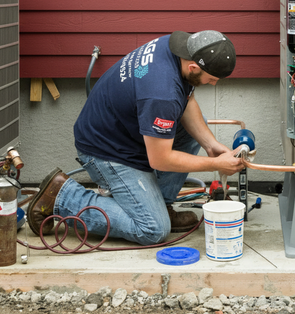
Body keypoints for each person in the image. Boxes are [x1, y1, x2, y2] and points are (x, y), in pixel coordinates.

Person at [27, 30, 244, 245]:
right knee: (153, 229)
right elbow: (161, 159)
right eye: (212, 79)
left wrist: (211, 145)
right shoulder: (162, 93)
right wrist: (215, 164)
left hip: (126, 132)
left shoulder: (177, 47)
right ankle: (63, 197)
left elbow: (186, 100)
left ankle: (160, 204)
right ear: (193, 67)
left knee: (198, 127)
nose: (213, 83)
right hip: (107, 151)